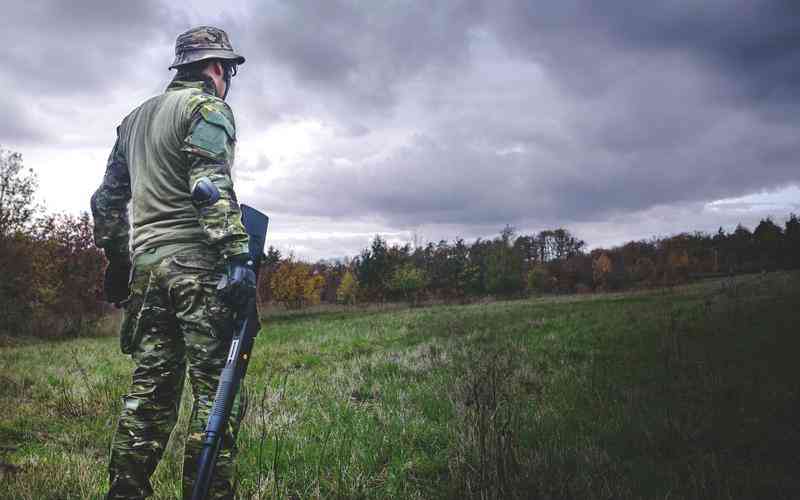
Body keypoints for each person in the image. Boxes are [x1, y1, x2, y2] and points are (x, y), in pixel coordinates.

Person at [91, 26, 254, 499]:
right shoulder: (207, 108)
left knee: (150, 395)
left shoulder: (133, 120)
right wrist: (236, 255)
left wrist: (119, 261)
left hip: (147, 270)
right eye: (228, 72)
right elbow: (208, 187)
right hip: (197, 270)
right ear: (217, 68)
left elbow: (106, 201)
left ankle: (124, 493)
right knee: (215, 393)